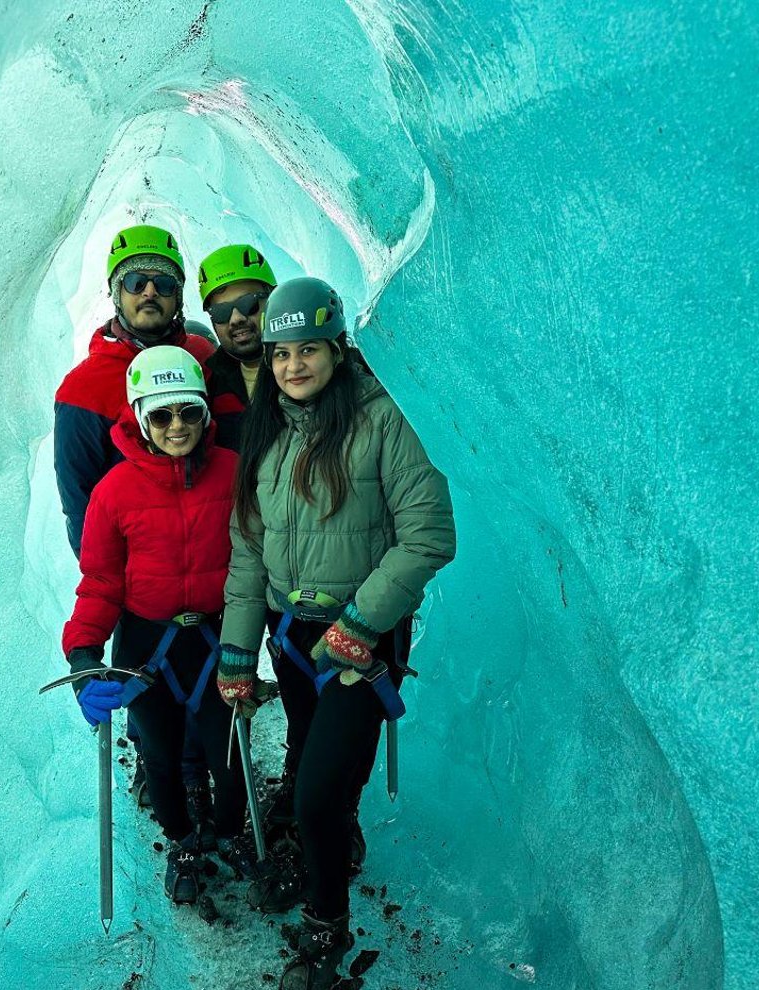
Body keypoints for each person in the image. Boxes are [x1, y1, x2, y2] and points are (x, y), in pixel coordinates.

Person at [215, 278, 456, 989]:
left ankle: (326, 924)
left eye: (308, 350)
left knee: (318, 791)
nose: (293, 366)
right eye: (281, 352)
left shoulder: (383, 420)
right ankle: (331, 843)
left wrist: (361, 623)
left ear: (335, 346)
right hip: (292, 638)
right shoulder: (266, 432)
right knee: (307, 755)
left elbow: (428, 535)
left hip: (362, 646)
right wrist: (236, 652)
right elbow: (248, 554)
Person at [61, 346, 262, 904]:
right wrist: (83, 653)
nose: (178, 426)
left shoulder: (233, 473)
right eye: (162, 415)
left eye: (189, 412)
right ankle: (182, 841)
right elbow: (100, 582)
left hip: (220, 637)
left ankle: (227, 832)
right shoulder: (114, 492)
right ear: (141, 417)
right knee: (160, 751)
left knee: (229, 748)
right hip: (148, 644)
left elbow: (259, 553)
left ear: (205, 412)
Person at [52, 224, 216, 826]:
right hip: (139, 589)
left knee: (209, 700)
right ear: (114, 294)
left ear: (181, 296)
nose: (150, 293)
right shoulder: (85, 389)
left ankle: (200, 778)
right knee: (160, 703)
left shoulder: (206, 364)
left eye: (164, 283)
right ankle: (169, 776)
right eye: (135, 282)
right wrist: (108, 598)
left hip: (213, 585)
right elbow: (81, 506)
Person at [196, 244, 277, 452]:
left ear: (274, 299)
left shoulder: (316, 367)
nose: (236, 319)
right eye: (221, 312)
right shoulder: (211, 387)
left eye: (248, 304)